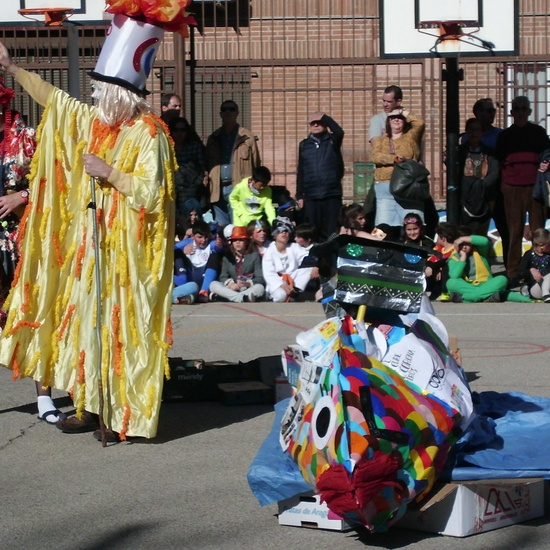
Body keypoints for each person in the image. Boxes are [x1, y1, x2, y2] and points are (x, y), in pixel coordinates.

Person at [0, 7, 187, 442]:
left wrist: (110, 173)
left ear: (123, 93)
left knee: (122, 331)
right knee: (87, 326)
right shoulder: (99, 124)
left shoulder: (149, 133)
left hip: (128, 257)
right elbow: (57, 102)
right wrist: (11, 68)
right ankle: (87, 404)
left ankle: (124, 414)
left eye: (103, 92)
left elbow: (153, 194)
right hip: (93, 247)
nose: (97, 100)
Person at [0, 76, 63, 424]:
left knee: (36, 316)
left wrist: (20, 197)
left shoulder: (26, 138)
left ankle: (44, 400)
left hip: (23, 242)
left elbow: (53, 179)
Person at [496, 96, 550, 284]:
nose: (520, 112)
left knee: (539, 232)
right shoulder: (505, 136)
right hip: (512, 188)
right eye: (516, 108)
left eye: (523, 108)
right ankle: (513, 272)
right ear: (511, 113)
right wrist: (504, 186)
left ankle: (542, 269)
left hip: (535, 186)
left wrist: (546, 164)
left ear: (529, 112)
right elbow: (499, 161)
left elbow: (547, 154)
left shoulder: (538, 132)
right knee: (514, 232)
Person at [205, 100, 261, 226]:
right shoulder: (214, 138)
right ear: (220, 114)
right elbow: (207, 163)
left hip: (239, 188)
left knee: (239, 227)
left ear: (237, 113)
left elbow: (256, 164)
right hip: (217, 190)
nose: (228, 112)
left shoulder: (247, 137)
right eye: (224, 109)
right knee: (221, 228)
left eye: (231, 109)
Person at [470, 97, 509, 269]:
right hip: (474, 193)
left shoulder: (500, 135)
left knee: (505, 230)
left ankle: (510, 269)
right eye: (487, 110)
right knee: (476, 232)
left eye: (493, 111)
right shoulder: (467, 136)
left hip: (497, 190)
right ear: (477, 113)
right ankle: (475, 267)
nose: (491, 114)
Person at [446, 227, 531, 303]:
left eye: (467, 244)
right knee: (451, 282)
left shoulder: (480, 251)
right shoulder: (453, 257)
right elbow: (455, 275)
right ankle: (487, 296)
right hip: (467, 286)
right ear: (456, 244)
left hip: (486, 284)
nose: (464, 247)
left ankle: (467, 298)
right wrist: (462, 259)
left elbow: (485, 241)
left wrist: (464, 238)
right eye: (461, 245)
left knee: (502, 279)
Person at [371, 107, 425, 227]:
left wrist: (403, 112)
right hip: (385, 188)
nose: (396, 120)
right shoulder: (380, 140)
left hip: (407, 187)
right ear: (388, 121)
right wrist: (394, 159)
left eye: (400, 118)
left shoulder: (411, 137)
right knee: (383, 228)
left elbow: (419, 123)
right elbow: (375, 157)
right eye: (393, 118)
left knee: (411, 226)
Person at [296, 111, 344, 240]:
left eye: (319, 122)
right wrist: (300, 195)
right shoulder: (304, 145)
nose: (316, 125)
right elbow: (301, 170)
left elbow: (339, 131)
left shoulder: (332, 140)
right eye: (313, 123)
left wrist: (324, 117)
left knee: (331, 231)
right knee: (313, 232)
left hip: (331, 193)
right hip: (312, 195)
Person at [459, 118, 499, 235]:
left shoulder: (490, 152)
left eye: (477, 130)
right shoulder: (460, 152)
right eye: (471, 130)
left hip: (485, 199)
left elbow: (494, 172)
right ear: (466, 131)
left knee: (481, 234)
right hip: (464, 200)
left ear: (482, 132)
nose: (474, 133)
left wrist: (481, 186)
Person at [262, 217, 314, 302]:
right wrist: (283, 285)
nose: (284, 233)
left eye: (286, 231)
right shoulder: (269, 251)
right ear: (275, 235)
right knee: (280, 296)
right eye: (280, 231)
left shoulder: (294, 247)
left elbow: (307, 258)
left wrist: (315, 267)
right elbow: (269, 274)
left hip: (293, 280)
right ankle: (275, 296)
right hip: (278, 283)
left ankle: (295, 291)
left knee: (309, 268)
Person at [173, 220, 224, 304]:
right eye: (200, 237)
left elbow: (220, 247)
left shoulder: (211, 244)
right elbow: (170, 250)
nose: (203, 240)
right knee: (178, 254)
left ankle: (203, 292)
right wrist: (183, 252)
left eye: (206, 237)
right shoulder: (187, 242)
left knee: (215, 255)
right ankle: (186, 294)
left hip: (205, 280)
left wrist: (220, 246)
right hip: (189, 279)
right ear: (193, 236)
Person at [209, 226, 265, 303]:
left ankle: (227, 298)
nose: (237, 242)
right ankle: (241, 298)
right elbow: (223, 276)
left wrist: (248, 283)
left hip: (247, 288)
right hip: (232, 288)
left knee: (260, 288)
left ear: (246, 242)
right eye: (235, 240)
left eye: (241, 240)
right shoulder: (227, 257)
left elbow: (260, 277)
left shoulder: (254, 255)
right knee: (213, 284)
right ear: (231, 243)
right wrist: (230, 284)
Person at [169, 116, 207, 222]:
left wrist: (194, 184)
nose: (179, 133)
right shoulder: (167, 148)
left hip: (192, 191)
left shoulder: (194, 146)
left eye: (182, 130)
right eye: (176, 130)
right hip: (174, 192)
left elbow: (201, 168)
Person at [517, 228, 550, 302]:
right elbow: (520, 274)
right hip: (536, 288)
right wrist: (531, 270)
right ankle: (545, 294)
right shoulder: (529, 255)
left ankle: (547, 293)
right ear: (542, 245)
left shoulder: (548, 255)